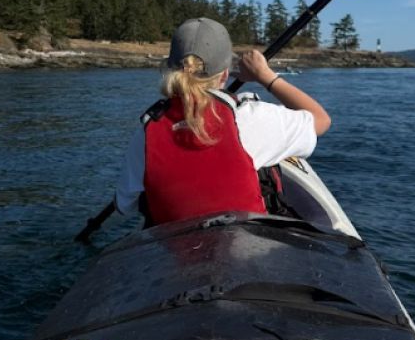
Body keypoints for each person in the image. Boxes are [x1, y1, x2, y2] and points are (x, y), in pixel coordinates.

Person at [114, 17, 331, 225]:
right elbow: (321, 120)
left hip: (179, 255)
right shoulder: (248, 119)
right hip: (246, 249)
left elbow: (125, 206)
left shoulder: (146, 132)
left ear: (169, 68)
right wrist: (265, 76)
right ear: (225, 74)